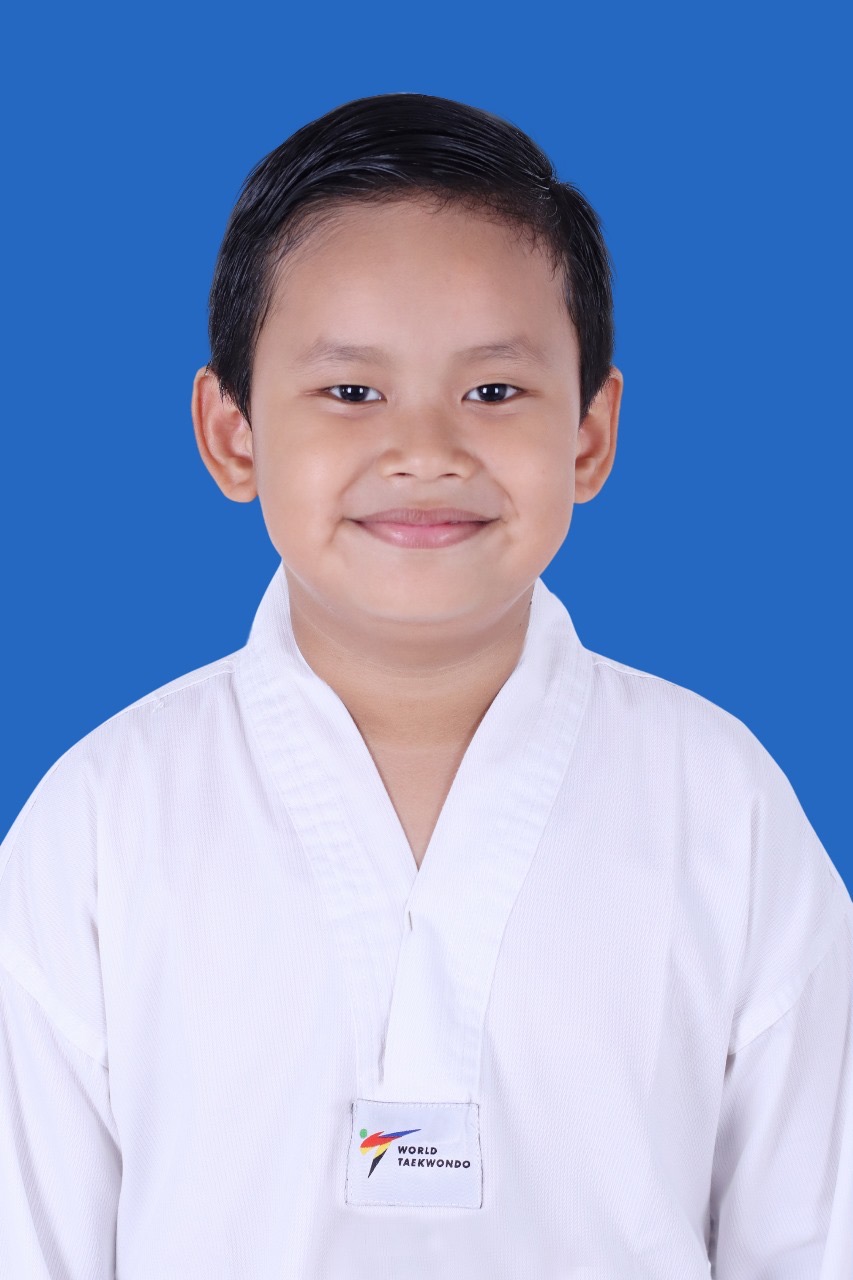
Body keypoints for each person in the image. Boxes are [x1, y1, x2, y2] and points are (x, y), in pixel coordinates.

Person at [1, 92, 850, 1279]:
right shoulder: (100, 823)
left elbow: (814, 1237)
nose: (425, 451)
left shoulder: (721, 804)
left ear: (590, 434)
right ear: (233, 433)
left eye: (492, 392)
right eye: (352, 392)